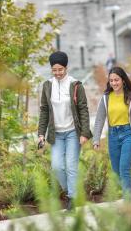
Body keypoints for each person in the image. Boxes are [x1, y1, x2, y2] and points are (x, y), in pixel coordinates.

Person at [38, 51, 92, 210]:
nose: (57, 73)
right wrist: (41, 133)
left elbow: (83, 109)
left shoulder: (76, 85)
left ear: (66, 68)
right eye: (54, 70)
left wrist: (84, 133)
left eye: (60, 69)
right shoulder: (47, 85)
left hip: (73, 133)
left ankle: (73, 200)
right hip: (56, 134)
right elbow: (44, 110)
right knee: (57, 167)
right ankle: (71, 191)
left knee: (71, 166)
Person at [93, 66, 131, 200]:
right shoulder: (106, 98)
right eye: (111, 81)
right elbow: (100, 118)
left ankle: (127, 201)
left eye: (116, 80)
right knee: (117, 172)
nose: (114, 83)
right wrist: (96, 139)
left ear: (123, 80)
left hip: (130, 133)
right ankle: (130, 188)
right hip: (113, 135)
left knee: (124, 169)